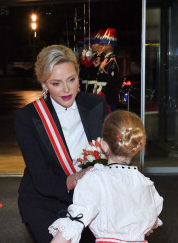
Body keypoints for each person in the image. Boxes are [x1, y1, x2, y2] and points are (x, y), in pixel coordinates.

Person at [14, 45, 109, 243]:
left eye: (71, 80)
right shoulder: (28, 118)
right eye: (56, 83)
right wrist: (80, 177)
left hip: (88, 201)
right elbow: (42, 179)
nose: (66, 90)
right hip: (45, 201)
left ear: (78, 76)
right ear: (44, 84)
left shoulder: (96, 105)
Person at [49, 110, 164, 243]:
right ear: (137, 147)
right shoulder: (146, 184)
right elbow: (152, 222)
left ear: (103, 145)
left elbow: (75, 221)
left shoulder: (96, 180)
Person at [95, 28, 119, 112]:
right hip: (103, 95)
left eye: (104, 44)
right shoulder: (105, 59)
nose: (101, 46)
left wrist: (103, 92)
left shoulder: (112, 60)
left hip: (108, 97)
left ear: (110, 45)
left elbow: (111, 81)